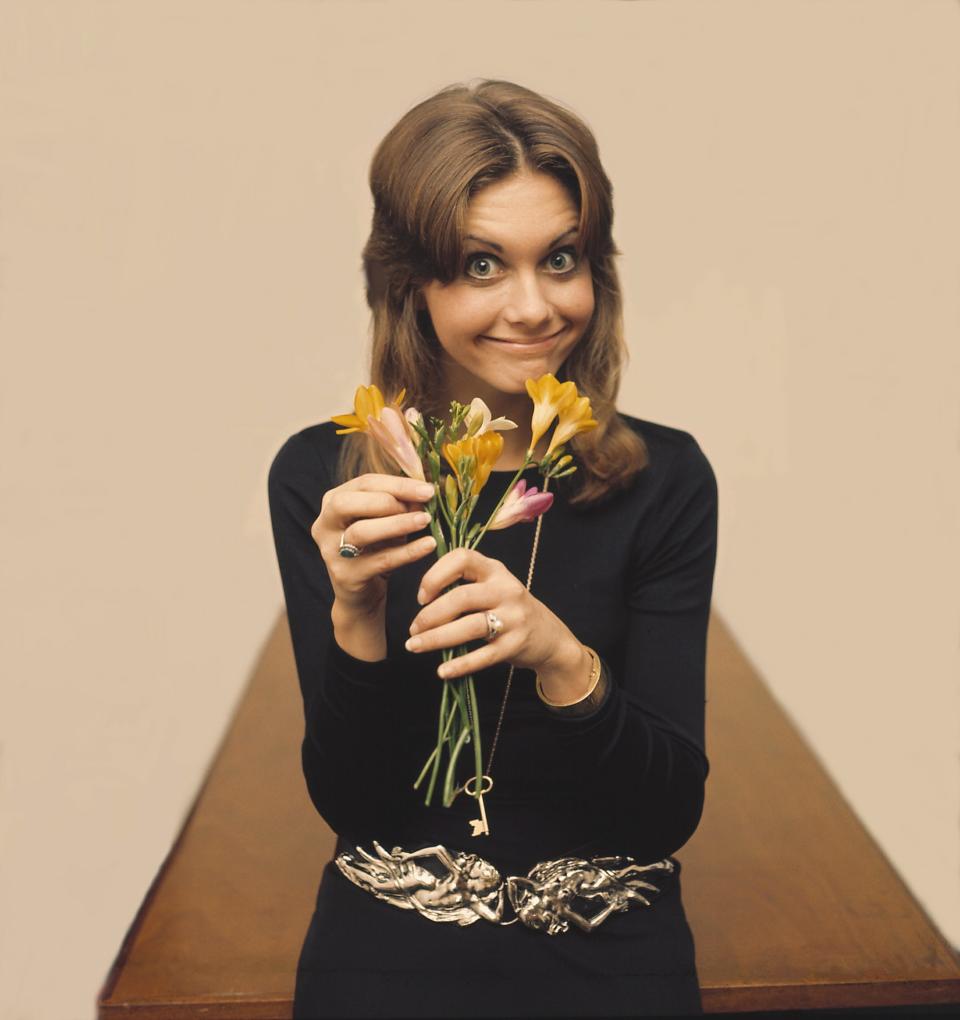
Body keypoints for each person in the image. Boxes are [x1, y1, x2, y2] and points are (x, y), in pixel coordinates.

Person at [268, 78, 718, 1019]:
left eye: (561, 258)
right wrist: (356, 610)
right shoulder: (325, 475)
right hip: (387, 963)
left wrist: (559, 657)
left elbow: (668, 812)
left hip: (610, 959)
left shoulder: (666, 480)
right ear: (409, 284)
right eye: (481, 265)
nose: (533, 307)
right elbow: (354, 803)